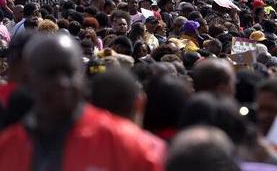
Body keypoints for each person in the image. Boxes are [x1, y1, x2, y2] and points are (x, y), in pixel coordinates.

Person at [0, 32, 165, 170]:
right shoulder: (8, 147)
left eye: (69, 72)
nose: (62, 82)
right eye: (50, 73)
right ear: (28, 79)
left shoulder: (125, 143)